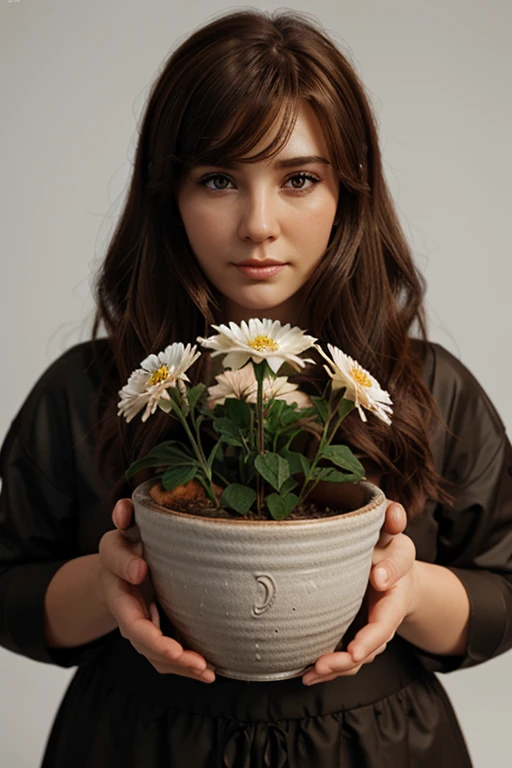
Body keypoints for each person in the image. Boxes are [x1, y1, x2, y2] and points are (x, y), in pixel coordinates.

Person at [1, 9, 511, 767]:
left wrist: (408, 591)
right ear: (167, 194)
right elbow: (12, 587)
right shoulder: (93, 391)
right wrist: (106, 583)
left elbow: (501, 590)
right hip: (138, 746)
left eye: (299, 178)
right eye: (218, 179)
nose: (259, 225)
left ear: (349, 192)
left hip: (379, 750)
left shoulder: (427, 389)